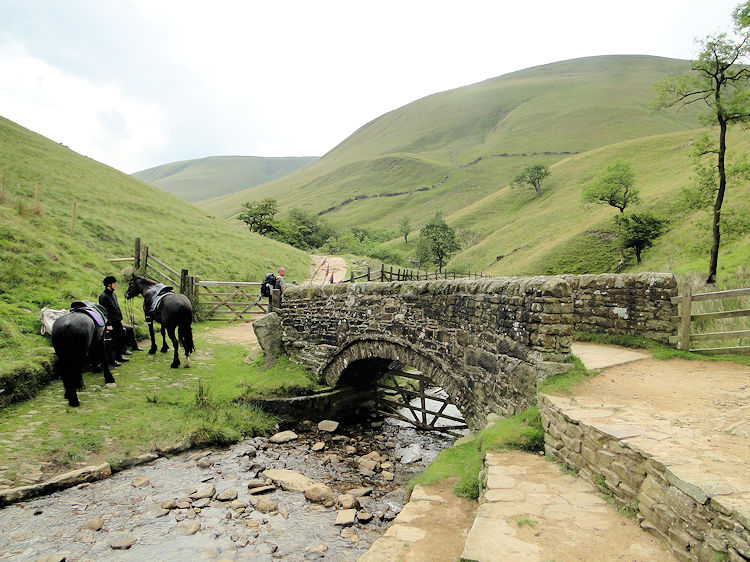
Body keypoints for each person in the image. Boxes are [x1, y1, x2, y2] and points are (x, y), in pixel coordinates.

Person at [99, 275, 140, 366]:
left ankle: (119, 355)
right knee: (116, 339)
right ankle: (113, 359)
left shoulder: (113, 294)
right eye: (114, 283)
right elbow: (105, 312)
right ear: (109, 285)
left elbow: (116, 307)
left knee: (121, 337)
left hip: (117, 320)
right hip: (111, 322)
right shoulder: (103, 297)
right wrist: (108, 324)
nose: (115, 285)